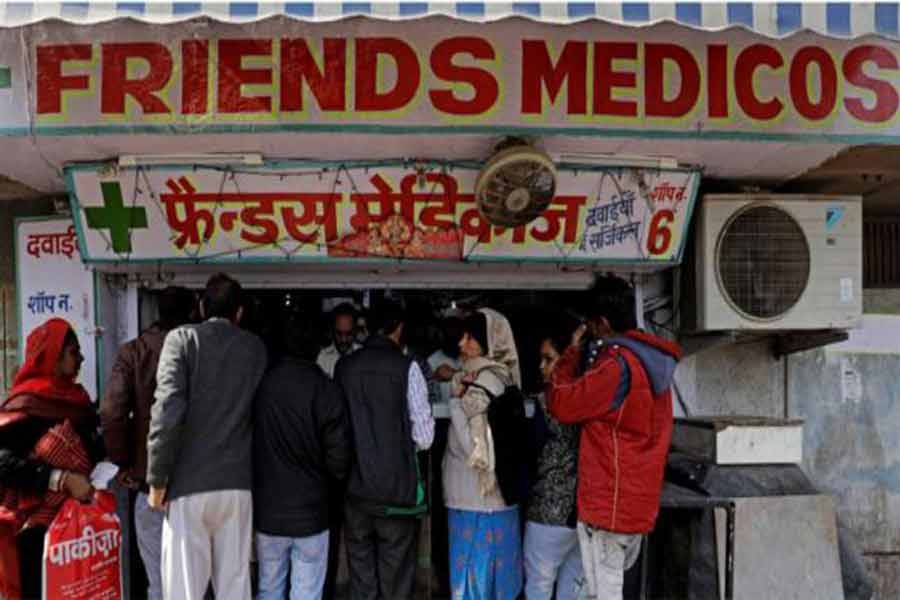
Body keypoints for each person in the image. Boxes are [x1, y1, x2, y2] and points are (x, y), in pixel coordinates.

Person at [546, 276, 681, 600]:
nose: (591, 333)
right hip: (636, 501)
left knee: (605, 593)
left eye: (591, 326)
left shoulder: (617, 366)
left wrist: (571, 353)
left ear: (603, 323)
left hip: (611, 504)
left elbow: (562, 403)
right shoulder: (652, 362)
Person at [147, 273, 268, 600]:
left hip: (189, 486)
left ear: (201, 306)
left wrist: (157, 480)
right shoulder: (255, 349)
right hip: (237, 487)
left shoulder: (181, 340)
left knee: (184, 590)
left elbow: (166, 413)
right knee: (235, 585)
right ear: (239, 312)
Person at [335, 299, 435, 600]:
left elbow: (336, 430)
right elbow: (425, 436)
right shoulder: (408, 369)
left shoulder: (344, 367)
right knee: (396, 584)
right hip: (397, 497)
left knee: (362, 582)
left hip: (355, 493)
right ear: (399, 328)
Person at [99, 286, 194, 600]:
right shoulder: (197, 353)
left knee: (158, 579)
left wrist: (123, 461)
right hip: (195, 486)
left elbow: (112, 410)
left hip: (147, 484)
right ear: (192, 314)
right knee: (195, 578)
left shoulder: (134, 352)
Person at [0, 319, 103, 599]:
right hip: (38, 532)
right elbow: (3, 463)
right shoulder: (25, 405)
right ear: (52, 358)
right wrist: (61, 479)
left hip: (79, 528)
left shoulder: (79, 401)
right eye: (73, 351)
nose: (81, 358)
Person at [254, 311, 353, 600]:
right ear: (316, 347)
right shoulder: (326, 389)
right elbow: (339, 460)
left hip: (268, 512)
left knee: (269, 587)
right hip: (312, 514)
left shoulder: (262, 386)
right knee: (307, 592)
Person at [443, 308, 524, 600]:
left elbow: (475, 448)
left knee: (473, 587)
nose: (461, 344)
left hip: (475, 503)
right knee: (497, 585)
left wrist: (454, 403)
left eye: (470, 338)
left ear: (488, 343)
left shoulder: (482, 384)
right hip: (495, 503)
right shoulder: (503, 379)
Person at [523, 326, 583, 600]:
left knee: (538, 587)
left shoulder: (542, 403)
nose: (541, 367)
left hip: (547, 513)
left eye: (548, 359)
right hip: (583, 514)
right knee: (573, 591)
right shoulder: (591, 399)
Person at [317, 303, 362, 379]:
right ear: (332, 331)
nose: (343, 340)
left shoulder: (363, 355)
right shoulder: (323, 357)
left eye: (348, 334)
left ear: (355, 331)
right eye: (339, 333)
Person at [428, 317, 464, 406]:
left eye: (456, 334)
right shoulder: (432, 360)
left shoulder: (471, 358)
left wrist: (456, 374)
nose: (453, 337)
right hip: (440, 416)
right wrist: (435, 377)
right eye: (449, 334)